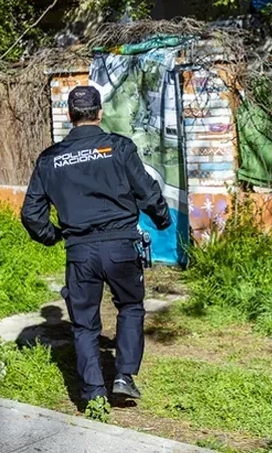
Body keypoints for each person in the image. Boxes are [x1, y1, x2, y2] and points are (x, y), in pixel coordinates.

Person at [21, 85, 171, 408]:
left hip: (80, 251)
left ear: (69, 115)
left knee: (84, 324)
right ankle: (123, 375)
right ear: (99, 113)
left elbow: (31, 214)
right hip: (121, 247)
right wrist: (162, 219)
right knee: (130, 306)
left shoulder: (49, 160)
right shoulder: (119, 148)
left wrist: (54, 235)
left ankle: (93, 394)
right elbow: (147, 191)